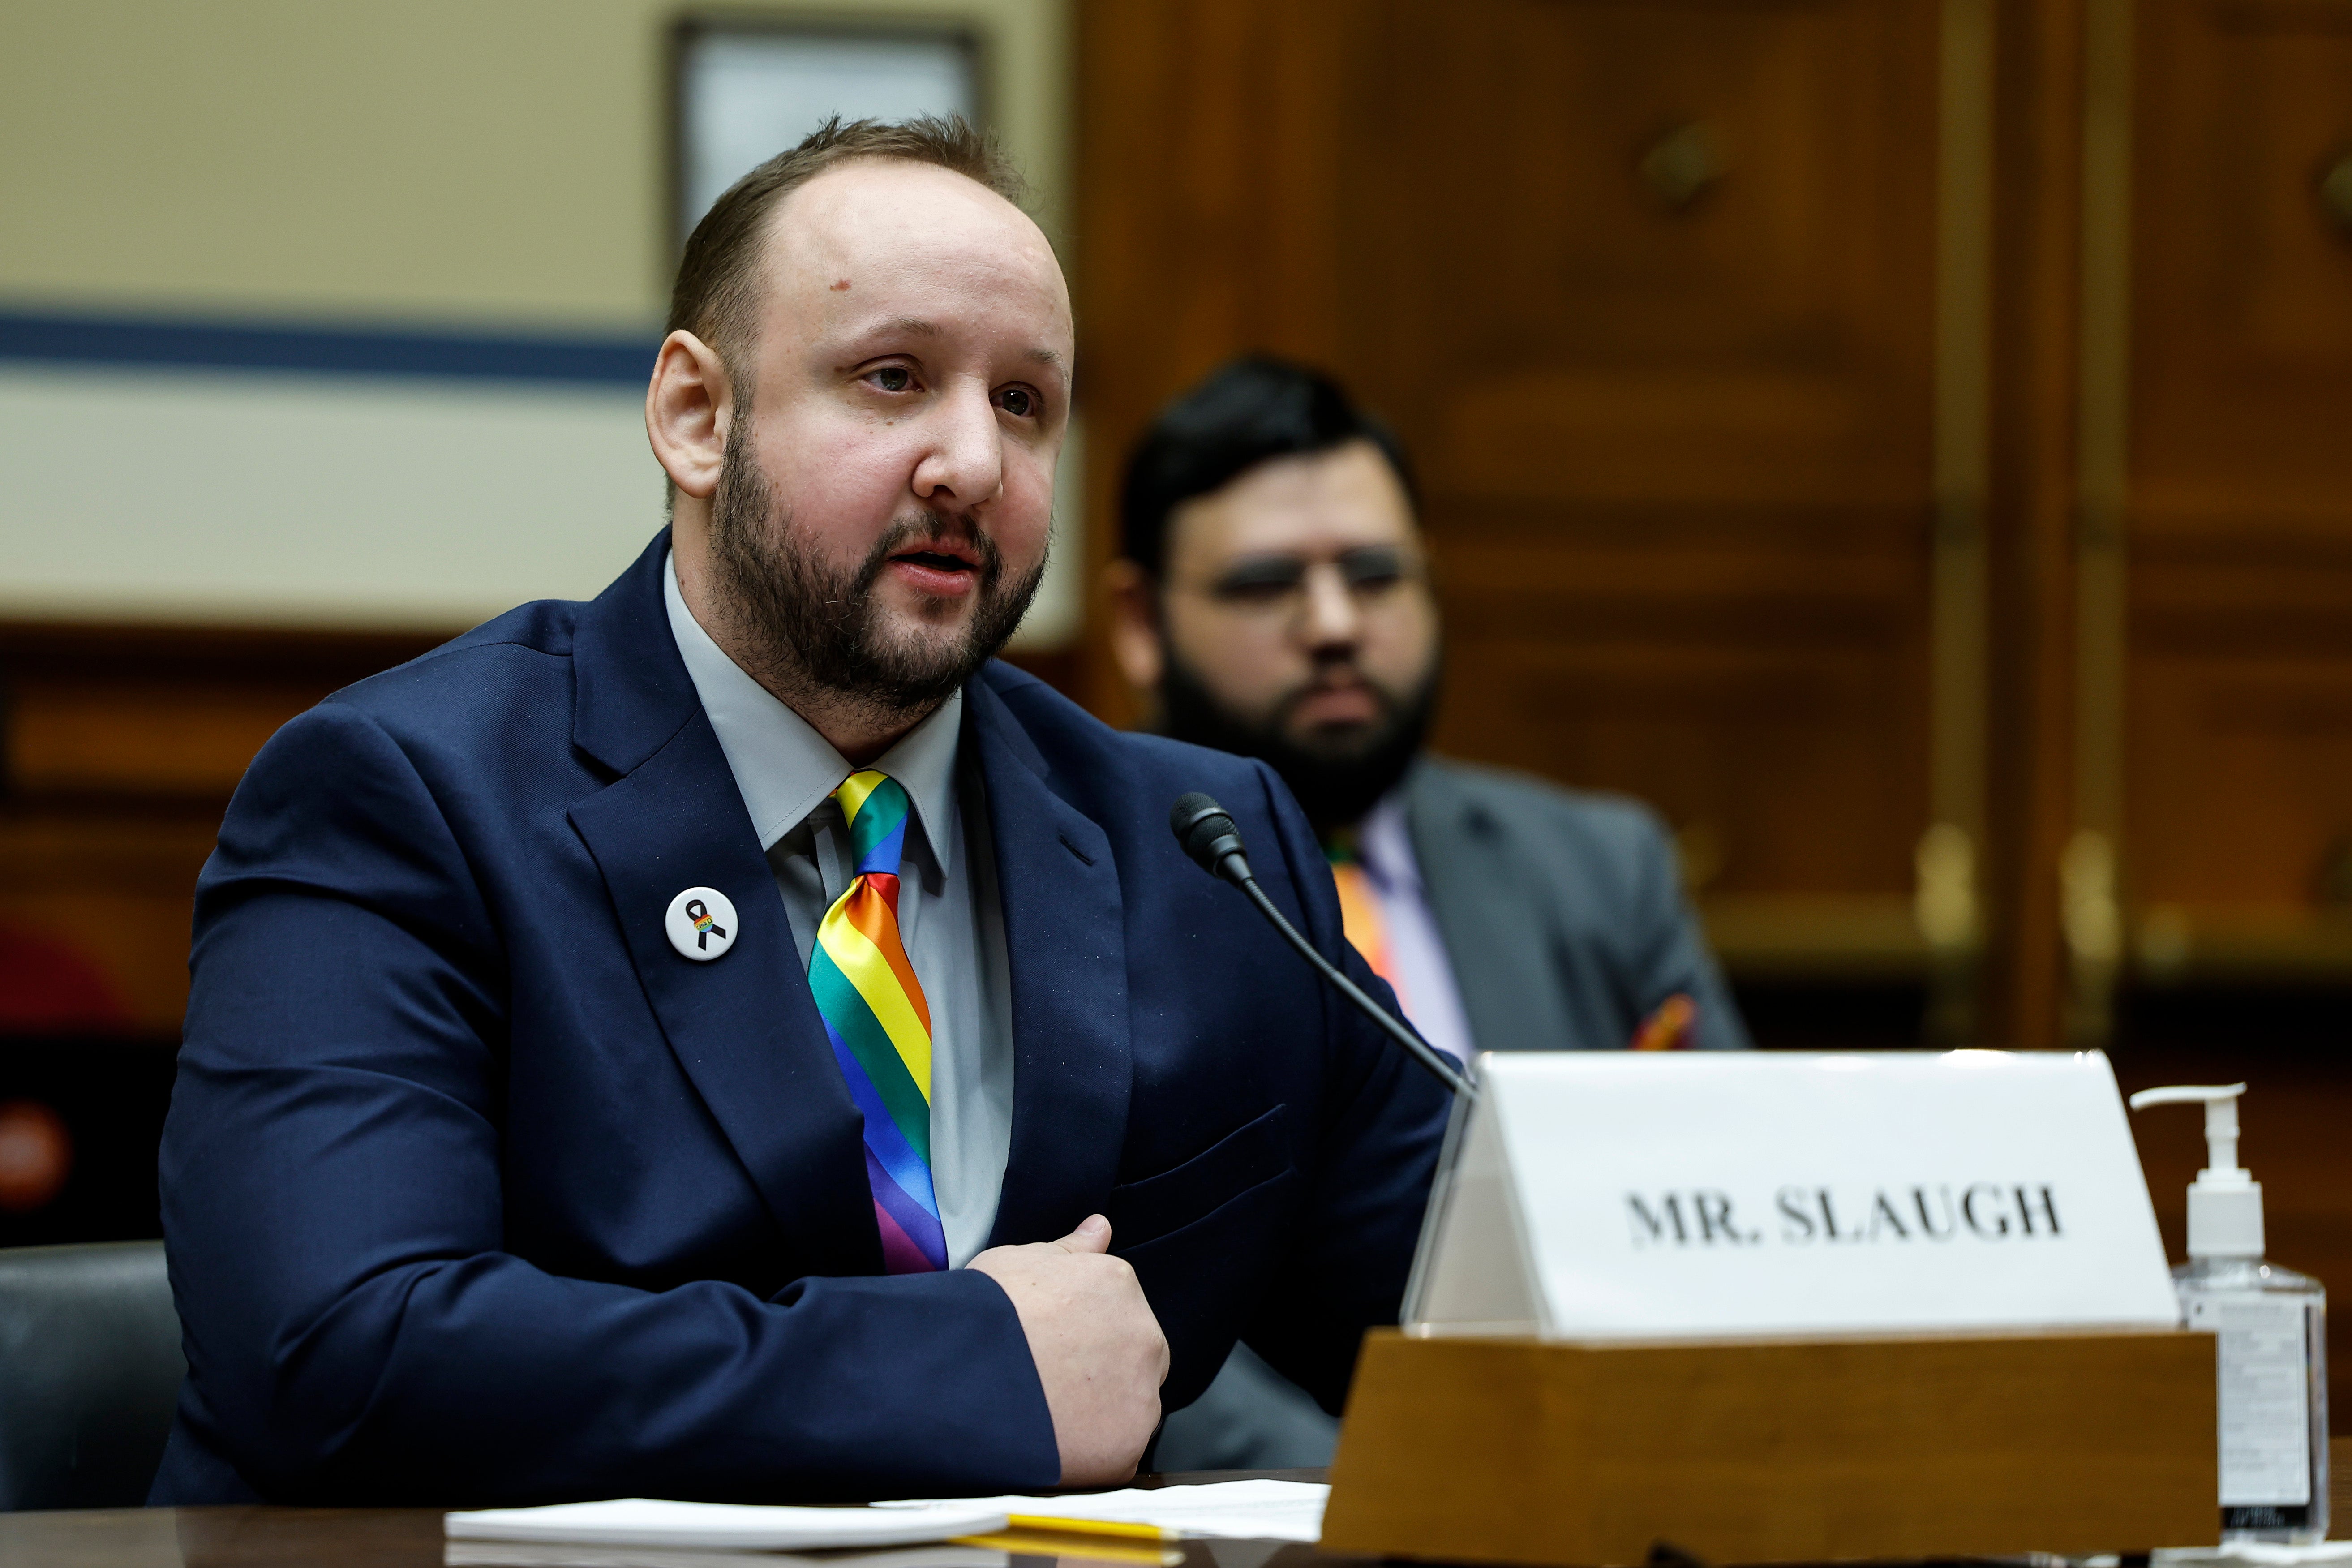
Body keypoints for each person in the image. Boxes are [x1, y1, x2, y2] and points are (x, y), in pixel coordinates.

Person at [150, 121, 1448, 1506]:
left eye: (1024, 403)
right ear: (696, 419)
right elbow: (335, 1356)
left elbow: (1491, 1297)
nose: (972, 461)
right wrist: (970, 1368)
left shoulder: (1199, 847)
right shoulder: (404, 798)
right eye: (892, 379)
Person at [1106, 355, 1748, 1468]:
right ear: (1140, 621)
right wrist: (1396, 1488)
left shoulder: (1603, 865)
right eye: (1266, 585)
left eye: (1374, 574)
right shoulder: (1074, 887)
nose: (1335, 624)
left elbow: (1739, 1210)